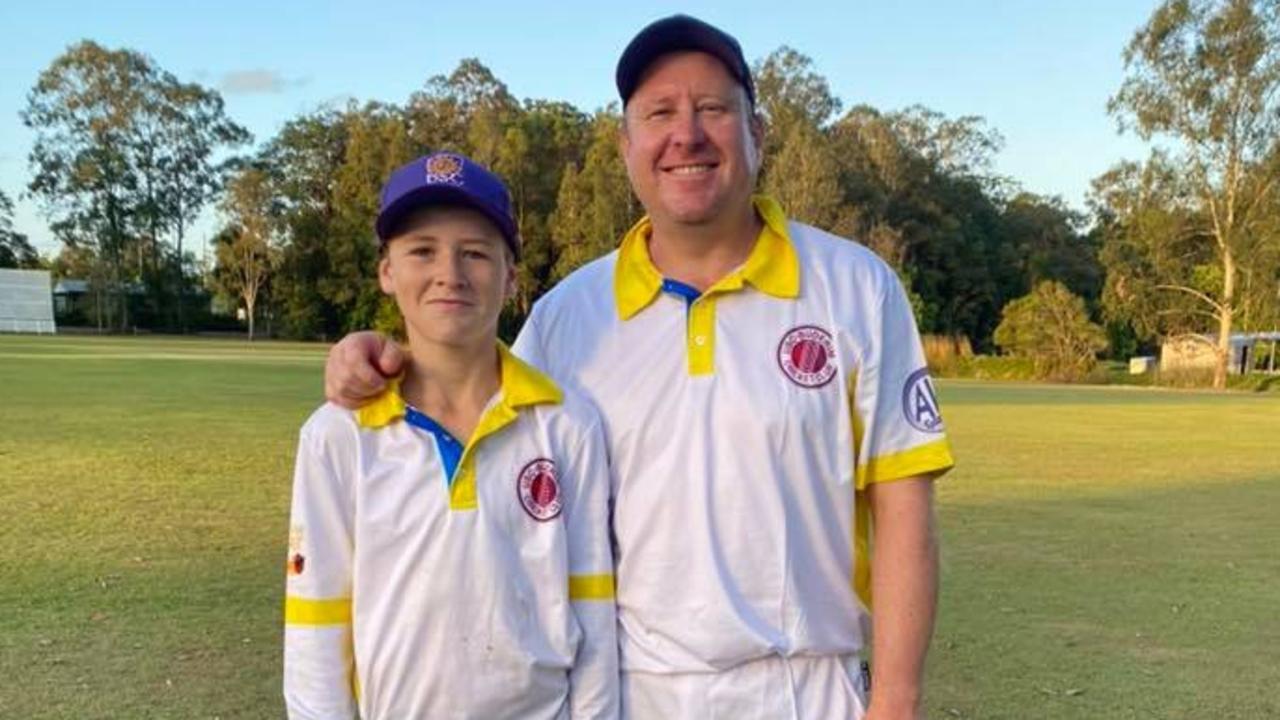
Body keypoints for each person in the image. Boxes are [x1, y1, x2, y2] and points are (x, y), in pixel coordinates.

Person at [325, 15, 954, 720]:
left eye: (713, 108)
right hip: (629, 693)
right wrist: (379, 361)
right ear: (626, 145)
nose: (686, 134)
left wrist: (895, 700)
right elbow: (476, 417)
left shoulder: (855, 287)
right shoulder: (568, 316)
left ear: (759, 133)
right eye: (659, 113)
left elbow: (904, 507)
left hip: (806, 688)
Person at [284, 151, 618, 719]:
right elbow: (317, 622)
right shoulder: (338, 435)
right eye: (422, 251)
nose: (450, 274)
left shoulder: (566, 425)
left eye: (476, 253)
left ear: (511, 275)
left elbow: (591, 612)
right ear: (387, 271)